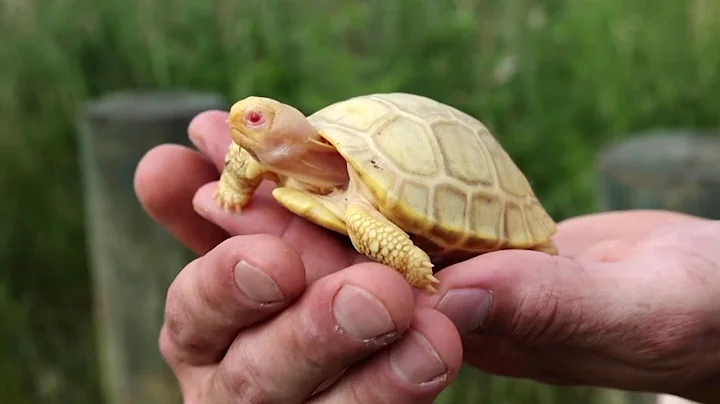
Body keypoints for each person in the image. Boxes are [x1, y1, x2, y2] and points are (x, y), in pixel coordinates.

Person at [133, 110, 720, 404]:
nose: (245, 125)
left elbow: (379, 233)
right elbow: (246, 159)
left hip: (450, 171)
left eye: (258, 118)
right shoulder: (286, 165)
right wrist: (236, 186)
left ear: (295, 130)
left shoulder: (360, 203)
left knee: (368, 235)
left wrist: (416, 268)